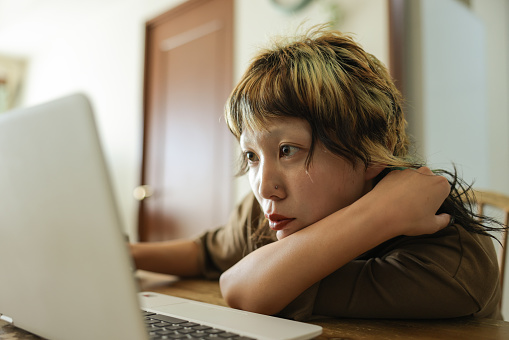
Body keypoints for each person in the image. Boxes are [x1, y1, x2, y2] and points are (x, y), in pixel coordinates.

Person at [131, 26, 504, 321]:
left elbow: (244, 288)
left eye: (288, 150)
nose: (265, 187)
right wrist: (122, 253)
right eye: (251, 156)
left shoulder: (450, 260)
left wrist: (380, 215)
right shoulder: (269, 213)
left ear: (372, 153)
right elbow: (206, 253)